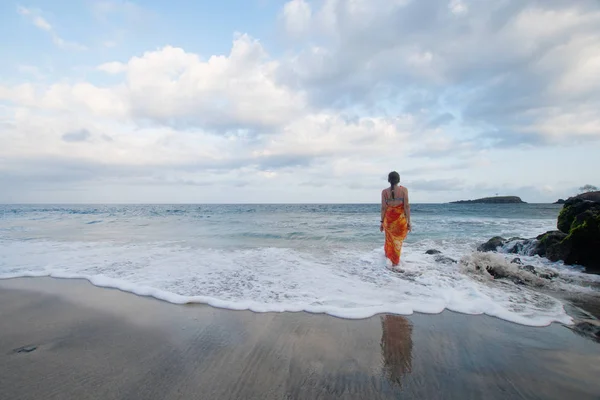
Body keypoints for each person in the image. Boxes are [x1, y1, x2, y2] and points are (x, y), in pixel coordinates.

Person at [380, 171, 411, 267]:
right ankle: (395, 263)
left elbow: (383, 208)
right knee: (398, 242)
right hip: (400, 221)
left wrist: (381, 222)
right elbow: (406, 206)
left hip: (389, 221)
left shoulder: (384, 192)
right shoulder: (404, 190)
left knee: (389, 241)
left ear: (389, 180)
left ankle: (389, 263)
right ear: (399, 180)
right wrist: (409, 222)